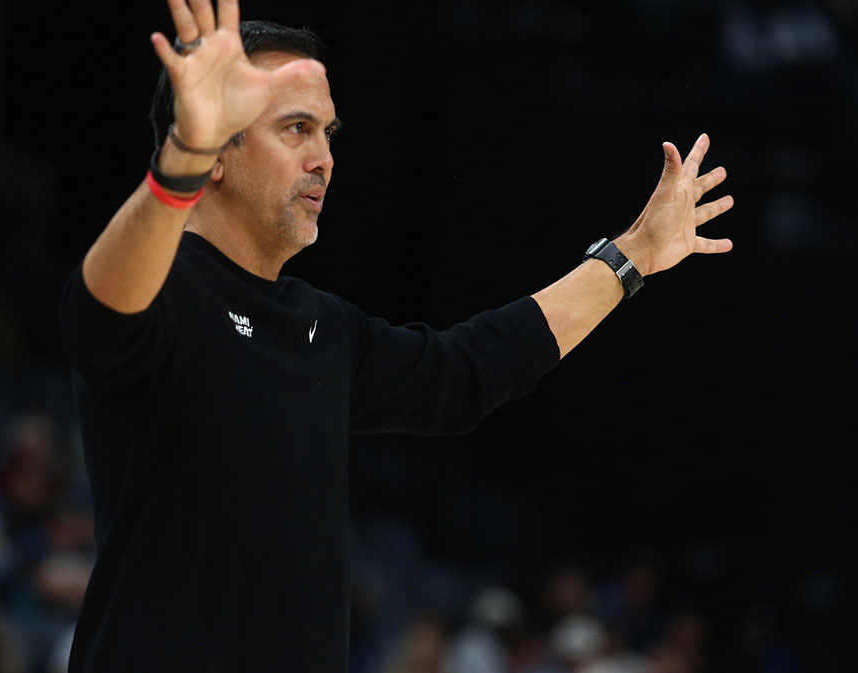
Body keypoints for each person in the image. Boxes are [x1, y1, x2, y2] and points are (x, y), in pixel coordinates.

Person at [57, 1, 734, 671]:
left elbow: (468, 370)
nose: (324, 157)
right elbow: (101, 311)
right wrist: (183, 154)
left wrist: (633, 254)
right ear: (216, 154)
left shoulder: (321, 323)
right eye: (295, 128)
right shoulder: (161, 288)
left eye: (328, 132)